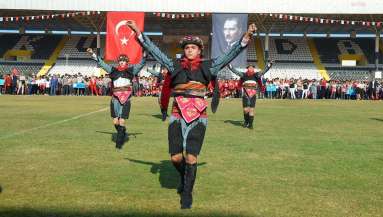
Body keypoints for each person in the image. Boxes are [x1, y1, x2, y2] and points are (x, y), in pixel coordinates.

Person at [127, 20, 257, 209]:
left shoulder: (209, 67)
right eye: (187, 47)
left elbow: (229, 55)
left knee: (191, 157)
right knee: (175, 158)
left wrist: (246, 37)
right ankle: (184, 176)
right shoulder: (173, 65)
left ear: (199, 51)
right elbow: (155, 51)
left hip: (199, 116)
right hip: (177, 114)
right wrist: (139, 33)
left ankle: (187, 192)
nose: (189, 50)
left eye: (193, 47)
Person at [87, 48, 145, 149]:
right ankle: (122, 132)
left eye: (124, 61)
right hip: (115, 99)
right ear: (118, 62)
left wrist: (144, 56)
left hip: (126, 99)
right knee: (115, 122)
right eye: (120, 61)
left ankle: (119, 143)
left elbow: (140, 65)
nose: (122, 62)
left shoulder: (131, 71)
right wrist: (93, 54)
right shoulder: (113, 71)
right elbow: (102, 64)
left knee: (122, 121)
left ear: (127, 62)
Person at [228, 61, 273, 129]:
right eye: (250, 67)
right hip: (245, 95)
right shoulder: (243, 75)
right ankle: (246, 122)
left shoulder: (256, 75)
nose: (251, 68)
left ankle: (251, 125)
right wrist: (229, 66)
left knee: (251, 110)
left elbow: (264, 71)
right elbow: (236, 71)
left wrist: (269, 65)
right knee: (246, 110)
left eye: (252, 67)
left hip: (253, 95)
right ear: (247, 68)